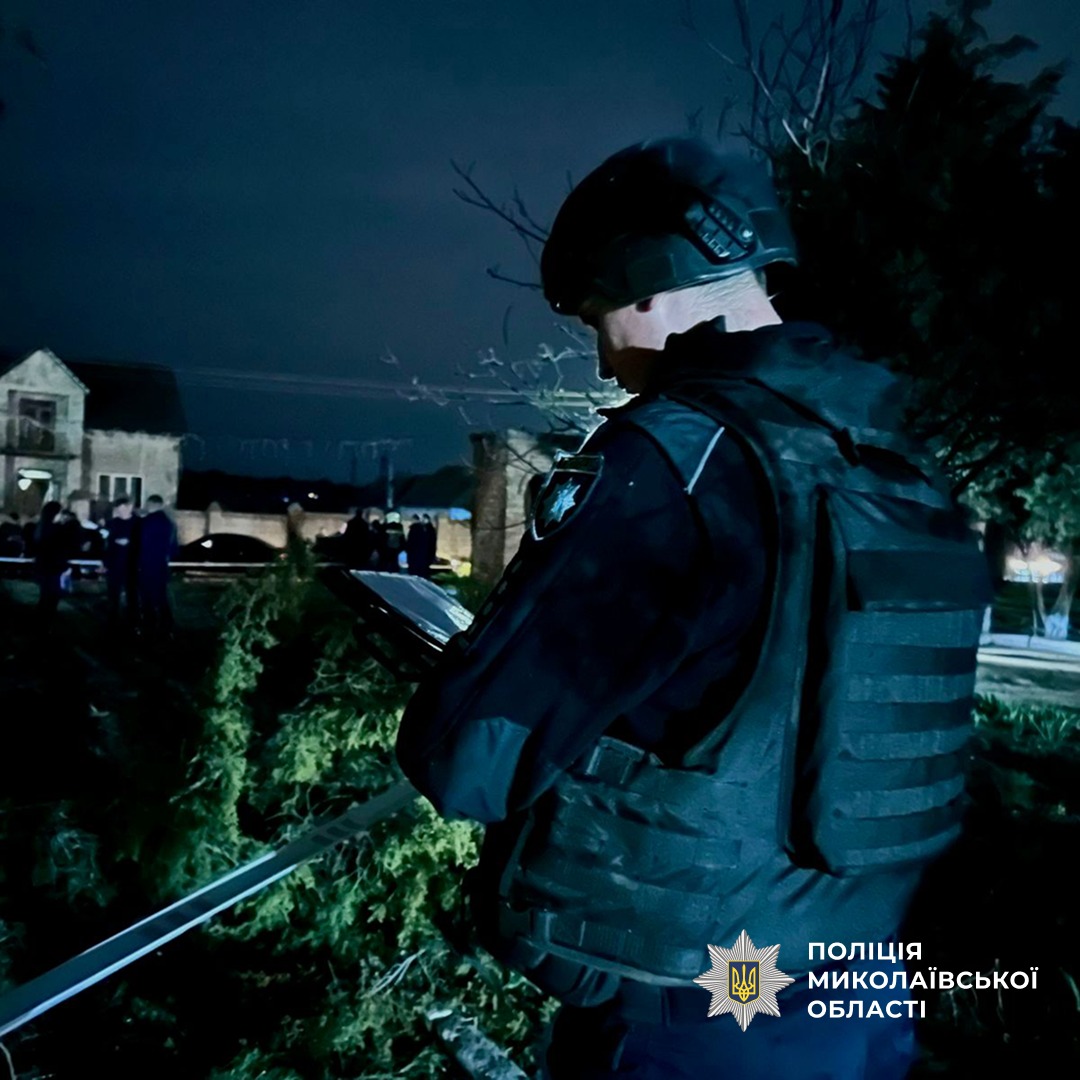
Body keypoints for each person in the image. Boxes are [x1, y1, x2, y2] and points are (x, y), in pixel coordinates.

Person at [394, 137, 991, 1080]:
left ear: (644, 282)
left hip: (707, 1000)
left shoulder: (674, 457)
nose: (605, 362)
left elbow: (471, 761)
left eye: (596, 320)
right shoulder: (893, 463)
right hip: (862, 978)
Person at [134, 494, 178, 639]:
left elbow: (142, 544)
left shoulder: (146, 522)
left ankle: (149, 625)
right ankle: (167, 625)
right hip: (161, 565)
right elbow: (173, 547)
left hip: (147, 565)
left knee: (146, 597)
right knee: (160, 596)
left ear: (151, 504)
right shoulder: (169, 523)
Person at [32, 501, 73, 621]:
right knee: (52, 598)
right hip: (54, 569)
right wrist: (65, 567)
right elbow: (59, 551)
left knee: (45, 597)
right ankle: (46, 622)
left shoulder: (41, 528)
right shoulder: (58, 529)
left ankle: (40, 622)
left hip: (42, 567)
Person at [102, 496, 138, 628]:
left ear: (129, 508)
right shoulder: (112, 523)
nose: (121, 512)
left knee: (132, 594)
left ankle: (132, 621)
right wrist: (105, 563)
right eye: (119, 510)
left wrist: (130, 543)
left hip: (131, 565)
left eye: (123, 509)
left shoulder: (138, 523)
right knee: (113, 594)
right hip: (114, 564)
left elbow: (142, 543)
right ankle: (112, 621)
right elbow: (106, 545)